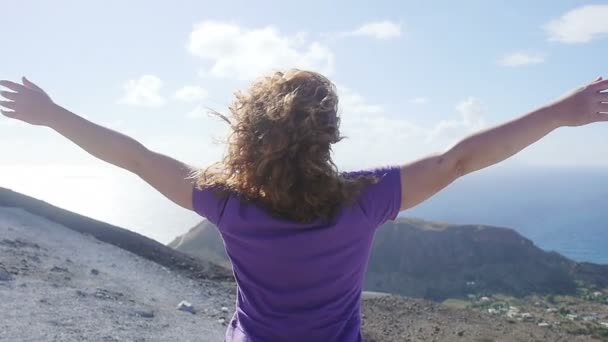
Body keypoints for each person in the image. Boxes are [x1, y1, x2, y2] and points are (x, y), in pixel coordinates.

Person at [1, 70, 606, 341]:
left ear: (245, 134)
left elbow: (133, 156)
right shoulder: (365, 200)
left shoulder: (226, 201)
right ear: (329, 135)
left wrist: (51, 115)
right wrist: (561, 112)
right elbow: (459, 159)